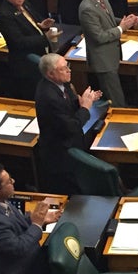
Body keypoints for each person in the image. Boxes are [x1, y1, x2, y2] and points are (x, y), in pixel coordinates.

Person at [34, 53, 101, 194]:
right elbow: (72, 126)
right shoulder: (49, 96)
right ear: (51, 74)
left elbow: (72, 105)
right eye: (63, 68)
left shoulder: (63, 84)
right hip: (60, 154)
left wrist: (84, 100)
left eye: (68, 66)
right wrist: (85, 107)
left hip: (72, 145)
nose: (69, 70)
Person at [79, 0, 138, 107]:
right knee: (116, 101)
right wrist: (121, 28)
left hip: (112, 55)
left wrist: (125, 21)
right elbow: (99, 36)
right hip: (103, 61)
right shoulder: (87, 8)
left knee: (119, 94)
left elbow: (109, 20)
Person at [0, 0, 52, 98]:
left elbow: (34, 22)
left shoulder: (24, 3)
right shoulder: (5, 14)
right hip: (26, 64)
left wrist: (42, 26)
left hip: (40, 53)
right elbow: (18, 42)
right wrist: (45, 38)